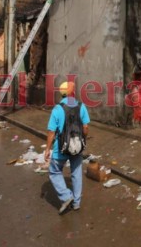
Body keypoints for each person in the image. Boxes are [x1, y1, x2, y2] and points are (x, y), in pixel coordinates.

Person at [44, 81, 90, 214]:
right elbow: (86, 128)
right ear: (72, 92)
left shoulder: (57, 109)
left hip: (61, 148)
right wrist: (83, 139)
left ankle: (66, 196)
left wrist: (47, 149)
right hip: (77, 146)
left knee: (54, 171)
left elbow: (51, 132)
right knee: (76, 173)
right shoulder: (81, 106)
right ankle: (76, 203)